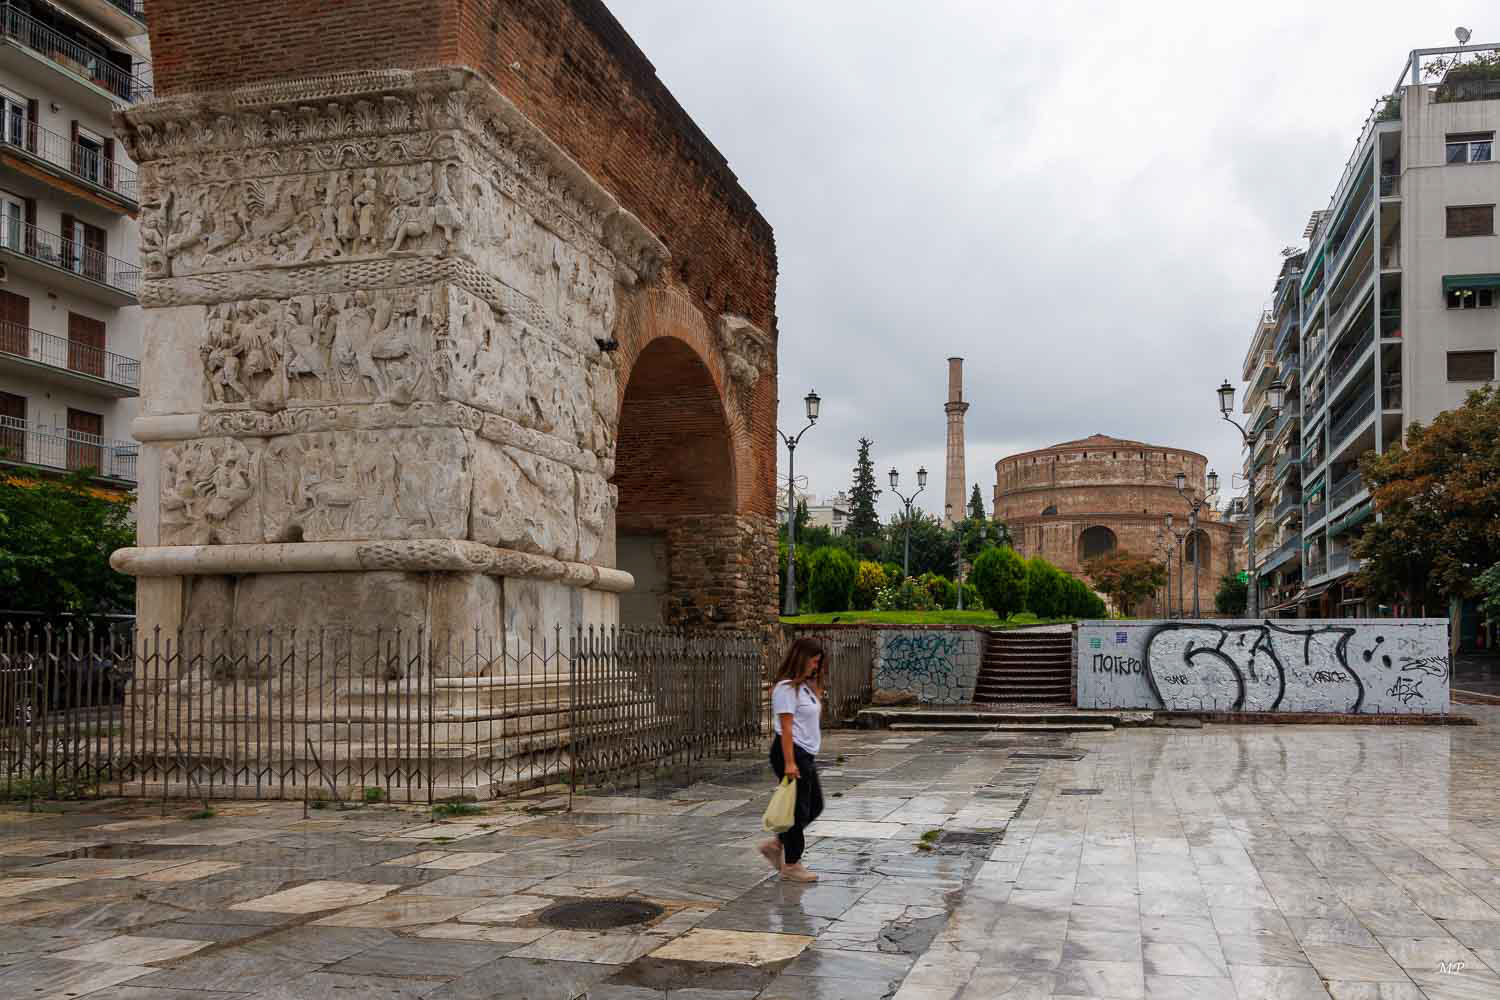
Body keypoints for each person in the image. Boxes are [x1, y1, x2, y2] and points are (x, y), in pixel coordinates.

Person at [759, 638, 826, 882]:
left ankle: (776, 845)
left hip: (805, 752)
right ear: (802, 658)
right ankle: (792, 864)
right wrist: (789, 763)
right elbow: (786, 729)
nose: (816, 667)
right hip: (791, 751)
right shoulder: (785, 689)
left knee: (815, 805)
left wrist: (815, 685)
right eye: (814, 661)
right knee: (798, 810)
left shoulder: (805, 687)